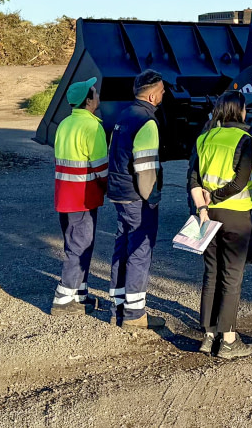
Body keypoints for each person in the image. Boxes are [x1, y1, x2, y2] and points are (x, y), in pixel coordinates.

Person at [185, 91, 252, 359]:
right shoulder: (245, 139)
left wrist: (204, 205)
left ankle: (208, 335)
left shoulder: (204, 138)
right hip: (236, 214)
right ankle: (228, 340)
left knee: (211, 273)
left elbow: (193, 176)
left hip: (207, 216)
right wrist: (215, 197)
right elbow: (240, 182)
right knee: (232, 277)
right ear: (239, 112)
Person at [107, 69, 167, 329]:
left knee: (123, 245)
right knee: (140, 250)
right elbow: (145, 169)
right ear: (153, 95)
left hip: (119, 192)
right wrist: (151, 198)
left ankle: (118, 307)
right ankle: (134, 314)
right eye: (163, 91)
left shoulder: (125, 115)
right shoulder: (147, 121)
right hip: (136, 196)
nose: (164, 95)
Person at [50, 77, 109, 315]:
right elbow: (101, 168)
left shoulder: (64, 124)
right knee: (80, 245)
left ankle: (79, 292)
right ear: (88, 100)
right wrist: (111, 189)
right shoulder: (93, 127)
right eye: (94, 93)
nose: (97, 96)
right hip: (82, 197)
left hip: (65, 195)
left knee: (76, 242)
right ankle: (63, 299)